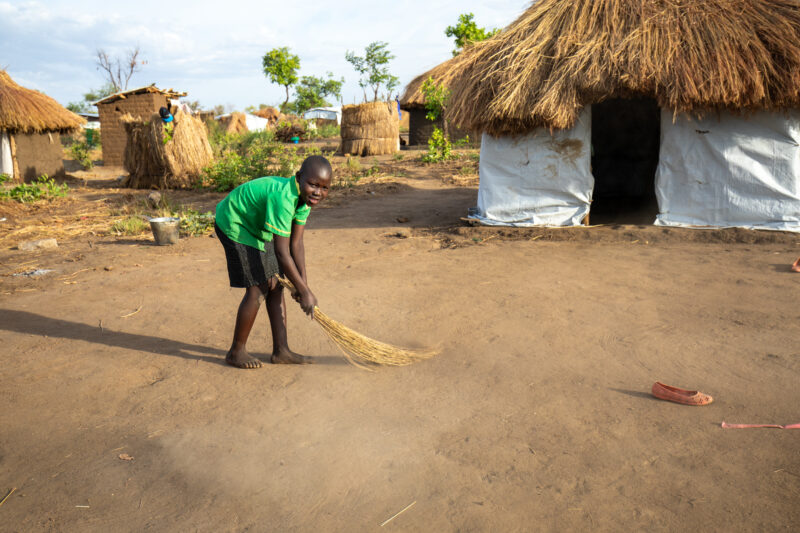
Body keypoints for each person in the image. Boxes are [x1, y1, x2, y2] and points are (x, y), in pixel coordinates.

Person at [214, 155, 332, 369]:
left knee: (276, 284)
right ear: (299, 178)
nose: (317, 192)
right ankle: (236, 352)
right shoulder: (283, 199)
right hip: (235, 223)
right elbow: (281, 252)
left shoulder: (304, 200)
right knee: (258, 288)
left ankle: (281, 351)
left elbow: (296, 244)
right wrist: (304, 291)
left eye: (324, 188)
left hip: (258, 227)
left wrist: (302, 285)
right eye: (313, 185)